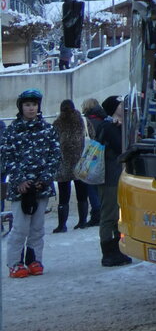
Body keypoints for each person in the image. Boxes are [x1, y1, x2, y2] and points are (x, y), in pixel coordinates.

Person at [1, 88, 62, 277]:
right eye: (27, 105)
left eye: (34, 105)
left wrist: (44, 179)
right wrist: (20, 180)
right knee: (20, 227)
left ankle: (34, 260)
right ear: (21, 107)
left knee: (37, 228)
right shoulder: (12, 131)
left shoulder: (48, 129)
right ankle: (15, 263)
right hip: (20, 188)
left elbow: (55, 155)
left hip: (41, 187)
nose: (31, 108)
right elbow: (6, 157)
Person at [97, 95, 132, 267]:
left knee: (116, 213)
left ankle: (117, 249)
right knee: (109, 214)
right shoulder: (109, 126)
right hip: (110, 176)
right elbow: (121, 147)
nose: (123, 106)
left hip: (116, 175)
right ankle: (108, 252)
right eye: (120, 104)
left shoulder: (114, 126)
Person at [52, 99, 94, 232]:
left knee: (64, 196)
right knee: (82, 194)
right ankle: (82, 221)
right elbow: (89, 137)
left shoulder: (57, 123)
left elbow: (53, 143)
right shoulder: (81, 120)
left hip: (63, 164)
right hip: (80, 162)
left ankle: (62, 225)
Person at [79, 98, 104, 226]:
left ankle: (96, 213)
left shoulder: (86, 121)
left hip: (91, 156)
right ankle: (102, 211)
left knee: (90, 185)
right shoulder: (105, 119)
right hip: (104, 157)